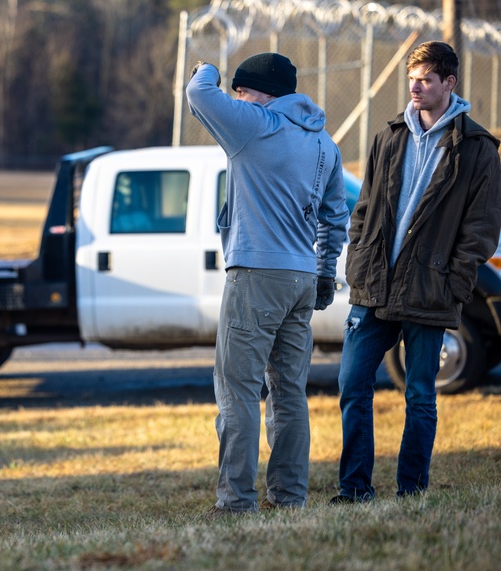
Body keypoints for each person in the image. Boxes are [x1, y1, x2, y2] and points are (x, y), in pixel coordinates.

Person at [331, 40, 501, 504]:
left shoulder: (477, 149)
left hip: (431, 289)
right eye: (412, 79)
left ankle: (411, 491)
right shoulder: (390, 136)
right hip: (374, 286)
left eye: (426, 79)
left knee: (420, 395)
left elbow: (482, 229)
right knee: (352, 384)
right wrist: (358, 261)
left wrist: (455, 282)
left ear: (450, 82)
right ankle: (354, 489)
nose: (415, 88)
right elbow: (363, 207)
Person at [187, 53, 349, 516]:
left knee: (237, 390)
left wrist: (207, 68)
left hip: (256, 276)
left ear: (262, 92)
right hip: (301, 278)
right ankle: (289, 496)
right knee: (289, 392)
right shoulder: (324, 143)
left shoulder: (255, 125)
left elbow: (200, 94)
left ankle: (236, 501)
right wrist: (323, 270)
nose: (236, 98)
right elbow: (334, 217)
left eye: (242, 89)